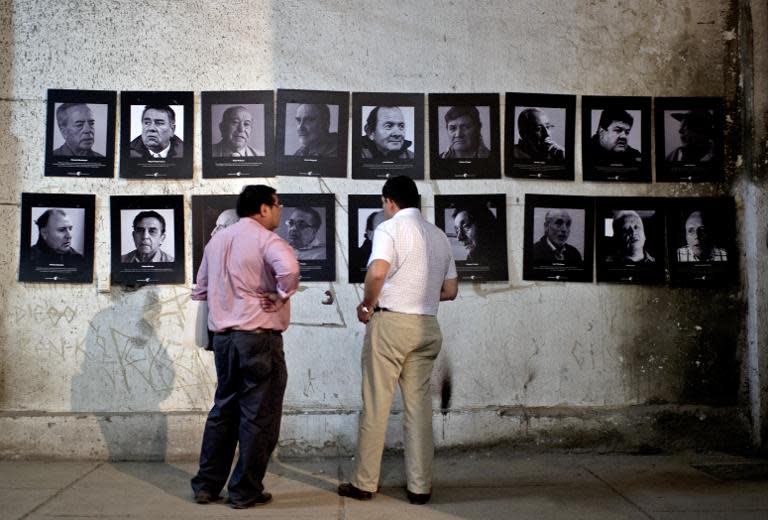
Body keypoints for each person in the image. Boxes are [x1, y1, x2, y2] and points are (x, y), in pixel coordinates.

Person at [338, 176, 458, 505]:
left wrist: (367, 304)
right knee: (419, 409)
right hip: (427, 327)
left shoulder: (389, 229)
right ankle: (420, 488)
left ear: (390, 201)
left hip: (390, 325)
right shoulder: (439, 237)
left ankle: (365, 483)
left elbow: (377, 273)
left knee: (377, 404)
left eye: (383, 203)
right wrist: (419, 292)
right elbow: (450, 291)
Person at [190, 185, 300, 509]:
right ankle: (244, 491)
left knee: (223, 410)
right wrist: (281, 293)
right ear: (264, 208)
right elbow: (290, 270)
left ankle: (206, 485)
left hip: (224, 340)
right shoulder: (267, 240)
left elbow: (201, 290)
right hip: (258, 339)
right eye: (278, 205)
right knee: (258, 415)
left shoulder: (217, 241)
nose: (280, 212)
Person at [451, 204, 505, 274]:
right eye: (457, 230)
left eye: (466, 226)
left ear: (485, 226)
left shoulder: (501, 264)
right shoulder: (471, 258)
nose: (459, 238)